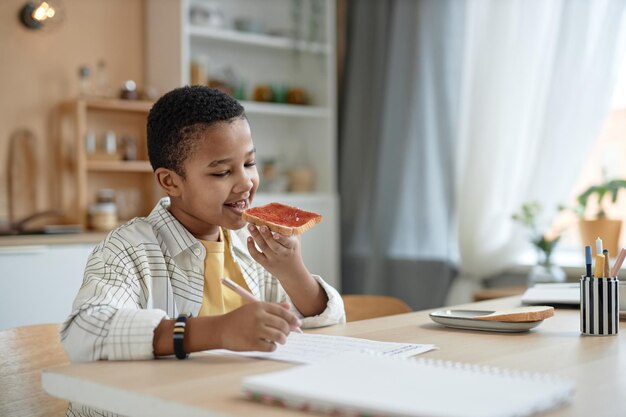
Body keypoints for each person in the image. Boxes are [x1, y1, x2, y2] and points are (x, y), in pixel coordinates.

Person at [60, 86, 345, 414]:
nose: (246, 183)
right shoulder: (127, 250)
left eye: (250, 163)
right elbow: (82, 332)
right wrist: (219, 331)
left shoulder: (250, 246)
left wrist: (293, 271)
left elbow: (329, 331)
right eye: (222, 172)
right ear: (170, 182)